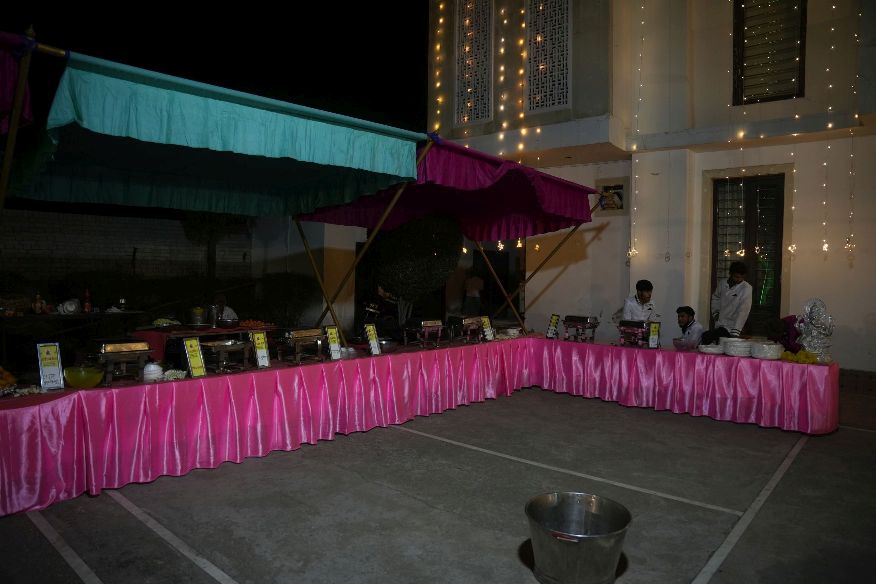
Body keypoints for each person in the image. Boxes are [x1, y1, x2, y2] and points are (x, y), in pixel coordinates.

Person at [701, 261, 752, 345]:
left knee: (708, 337)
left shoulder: (746, 288)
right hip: (720, 322)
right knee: (709, 339)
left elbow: (744, 310)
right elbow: (716, 298)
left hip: (733, 326)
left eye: (742, 277)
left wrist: (736, 331)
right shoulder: (723, 283)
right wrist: (715, 312)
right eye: (736, 277)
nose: (739, 280)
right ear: (730, 274)